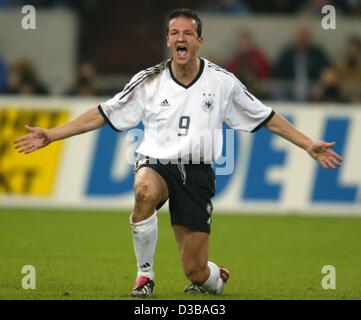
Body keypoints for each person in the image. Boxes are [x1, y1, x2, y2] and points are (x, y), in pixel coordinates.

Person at [14, 8, 343, 297]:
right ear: (168, 40)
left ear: (199, 40)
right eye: (174, 33)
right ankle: (145, 274)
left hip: (198, 172)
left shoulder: (223, 82)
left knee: (196, 272)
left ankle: (215, 275)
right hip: (156, 163)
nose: (180, 38)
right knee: (144, 191)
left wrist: (307, 143)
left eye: (187, 33)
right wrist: (52, 134)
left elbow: (266, 118)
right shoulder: (149, 81)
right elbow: (103, 112)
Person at [273, 26, 330, 101]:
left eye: (305, 37)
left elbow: (328, 73)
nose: (302, 40)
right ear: (296, 38)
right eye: (300, 37)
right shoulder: (286, 56)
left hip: (313, 96)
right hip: (288, 95)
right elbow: (276, 77)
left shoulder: (318, 55)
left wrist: (320, 86)